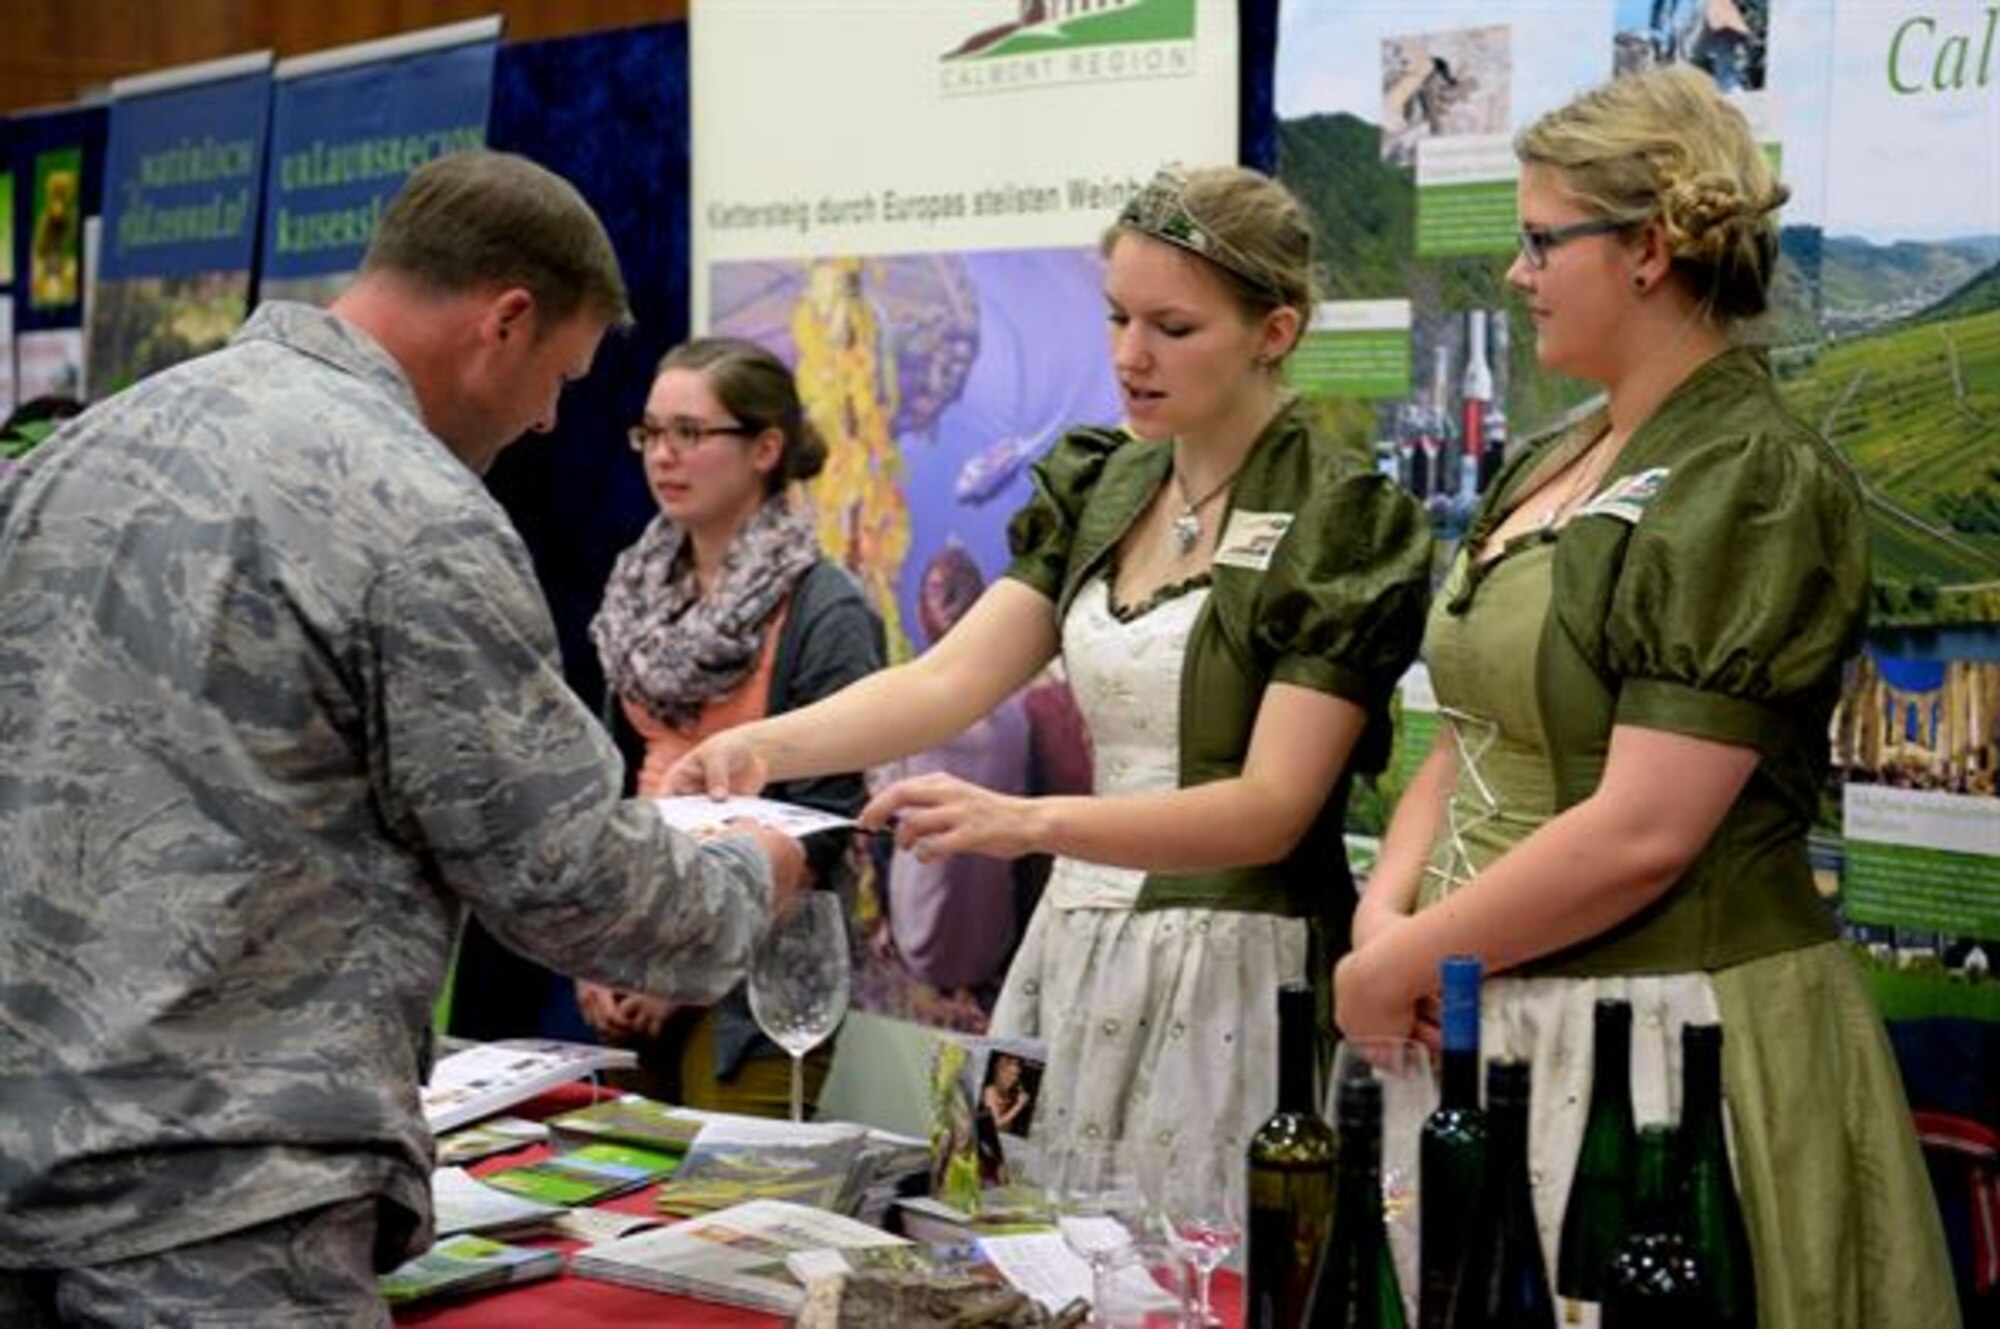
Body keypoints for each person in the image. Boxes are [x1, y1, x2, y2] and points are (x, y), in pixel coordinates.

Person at [0, 151, 803, 1327]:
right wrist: (752, 879)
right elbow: (562, 876)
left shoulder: (89, 449)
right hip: (226, 1210)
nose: (545, 420)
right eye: (561, 379)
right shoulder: (415, 517)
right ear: (506, 317)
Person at [673, 163, 1434, 1204]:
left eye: (1172, 327)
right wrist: (767, 747)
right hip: (1071, 950)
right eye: (1118, 316)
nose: (1128, 355)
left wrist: (1028, 823)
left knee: (1192, 1267)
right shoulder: (1104, 480)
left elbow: (1269, 811)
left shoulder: (1337, 516)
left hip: (1233, 968)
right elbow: (947, 680)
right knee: (1026, 1239)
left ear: (1274, 331)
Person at [1334, 67, 1958, 1328]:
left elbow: (1643, 834)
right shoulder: (1550, 455)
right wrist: (1384, 921)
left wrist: (1407, 955)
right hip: (1467, 1007)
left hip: (1655, 1039)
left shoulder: (1749, 477)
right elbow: (1466, 729)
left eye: (1536, 240)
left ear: (1647, 250)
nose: (1513, 274)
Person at [577, 335, 885, 1117]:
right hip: (631, 937)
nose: (663, 456)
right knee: (623, 1221)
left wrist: (681, 965)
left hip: (760, 971)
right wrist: (599, 943)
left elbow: (821, 821)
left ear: (765, 447)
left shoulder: (826, 606)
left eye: (691, 432)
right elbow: (608, 782)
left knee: (728, 1222)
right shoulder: (636, 591)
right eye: (651, 431)